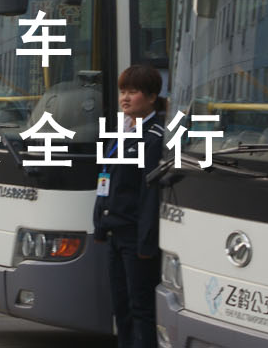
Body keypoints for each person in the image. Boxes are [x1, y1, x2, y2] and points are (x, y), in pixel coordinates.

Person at [93, 64, 166, 348]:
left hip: (135, 236)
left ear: (151, 97)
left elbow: (150, 194)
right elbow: (106, 177)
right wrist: (100, 223)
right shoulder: (120, 132)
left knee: (141, 307)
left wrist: (146, 242)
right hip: (115, 232)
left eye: (133, 92)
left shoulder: (154, 137)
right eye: (123, 91)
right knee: (120, 306)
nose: (125, 98)